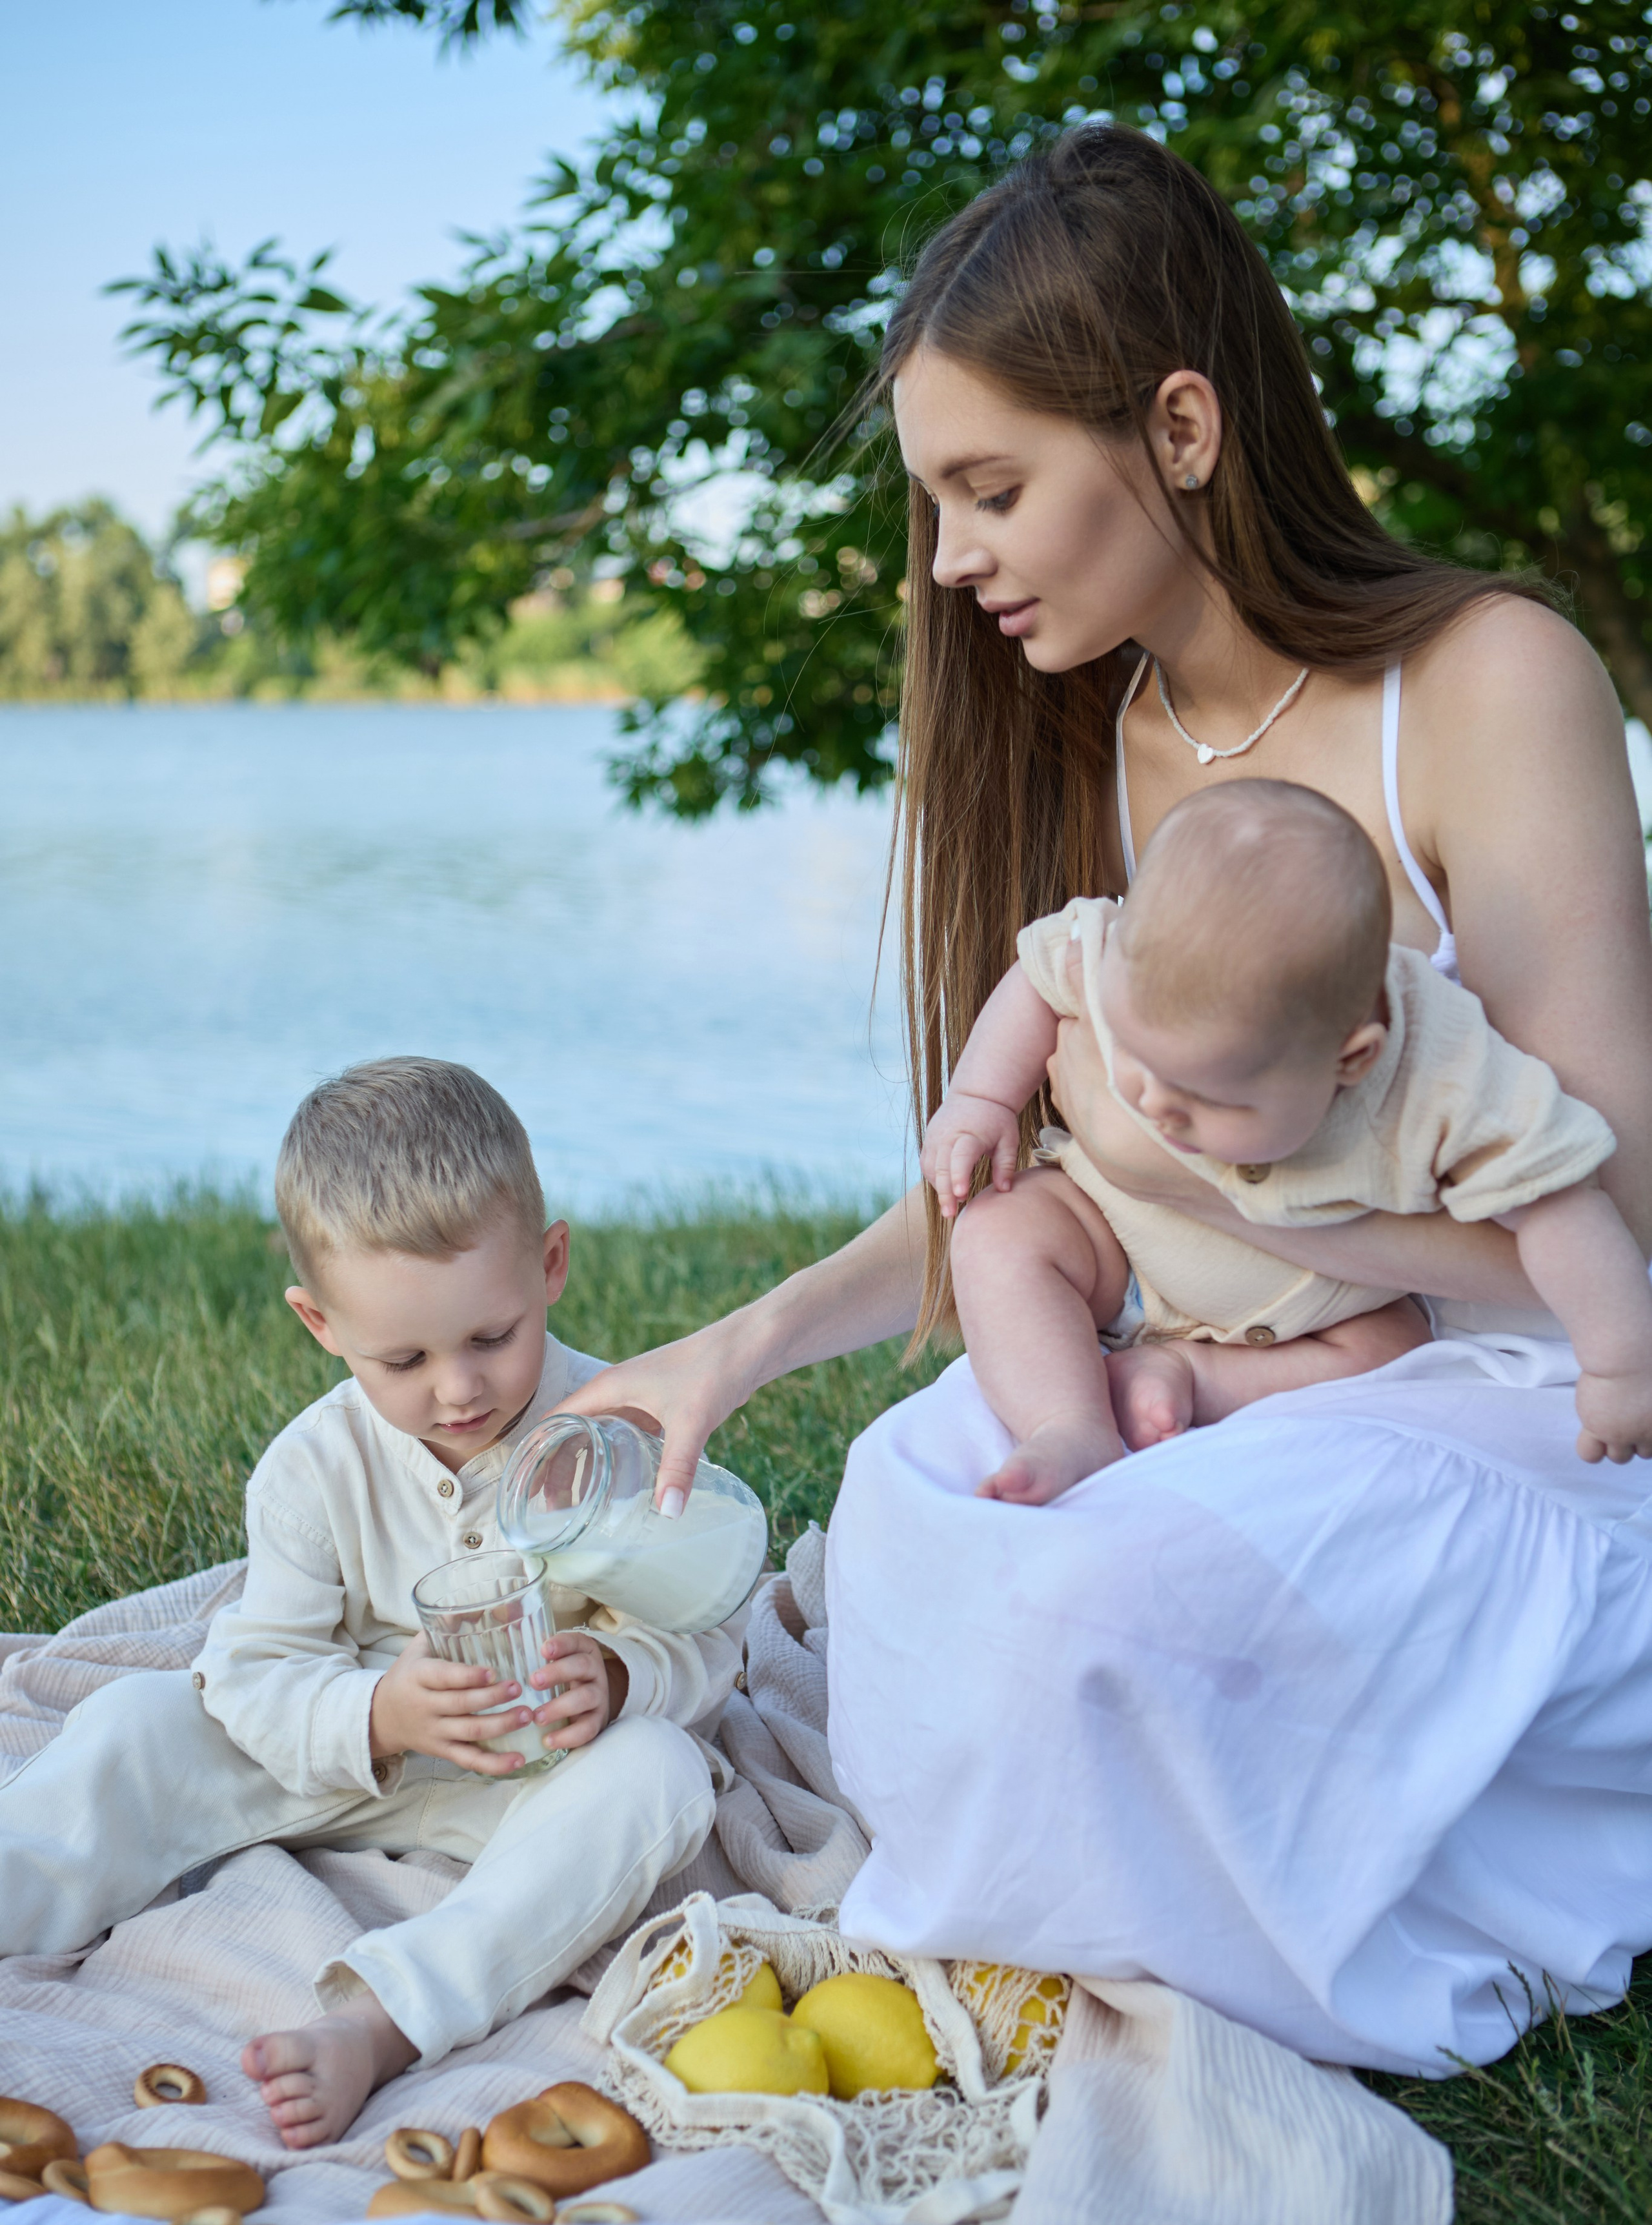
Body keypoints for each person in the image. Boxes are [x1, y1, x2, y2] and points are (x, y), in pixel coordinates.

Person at [557, 119, 1652, 2079]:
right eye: (935, 504)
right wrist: (737, 1347)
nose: (952, 555)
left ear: (1177, 426)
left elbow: (1614, 1205)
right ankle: (1076, 1885)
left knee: (1122, 1589)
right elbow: (1031, 1182)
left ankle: (1192, 1917)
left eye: (990, 487)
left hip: (1513, 1377)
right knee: (908, 1503)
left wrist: (1251, 1215)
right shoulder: (1106, 736)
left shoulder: (1489, 683)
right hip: (1210, 1338)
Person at [0, 1059, 732, 2144]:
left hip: (534, 1783)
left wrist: (626, 1677)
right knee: (136, 1724)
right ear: (320, 1324)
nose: (460, 1390)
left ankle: (382, 2018)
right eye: (405, 1358)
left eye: (493, 1336)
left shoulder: (614, 1431)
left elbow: (710, 1629)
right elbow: (256, 1677)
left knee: (664, 1777)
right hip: (340, 1761)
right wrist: (378, 1715)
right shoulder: (313, 1469)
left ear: (552, 1264)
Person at [925, 777, 1652, 1503]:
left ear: (1351, 1059)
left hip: (1323, 1318)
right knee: (997, 1232)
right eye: (1138, 1060)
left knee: (1399, 1352)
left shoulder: (1445, 1078)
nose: (1156, 1108)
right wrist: (980, 1098)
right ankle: (1069, 1422)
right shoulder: (1124, 950)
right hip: (1119, 1241)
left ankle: (1196, 1378)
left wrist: (1622, 1364)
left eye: (1211, 1096)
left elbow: (1562, 1204)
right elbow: (1039, 972)